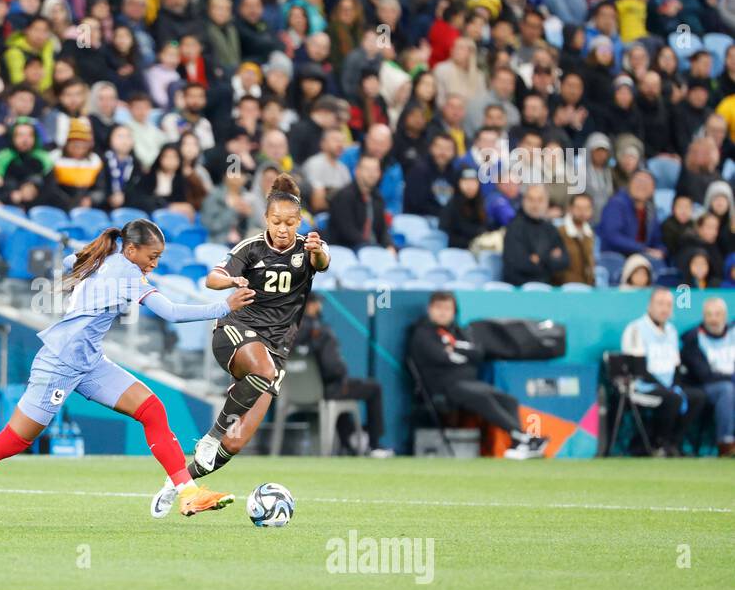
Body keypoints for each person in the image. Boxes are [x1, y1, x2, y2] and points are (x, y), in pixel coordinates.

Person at [0, 219, 255, 522]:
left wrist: (87, 258)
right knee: (15, 439)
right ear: (132, 249)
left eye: (159, 258)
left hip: (89, 361)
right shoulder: (125, 273)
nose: (154, 263)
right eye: (152, 256)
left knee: (152, 409)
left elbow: (68, 261)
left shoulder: (106, 259)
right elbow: (169, 312)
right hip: (60, 364)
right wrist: (222, 306)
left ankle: (188, 493)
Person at [149, 176, 332, 516]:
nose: (283, 228)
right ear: (266, 219)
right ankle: (210, 436)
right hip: (236, 332)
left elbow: (322, 264)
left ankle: (177, 487)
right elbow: (211, 278)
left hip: (276, 349)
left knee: (234, 442)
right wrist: (232, 281)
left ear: (300, 221)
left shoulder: (309, 248)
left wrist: (318, 251)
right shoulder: (250, 248)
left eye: (291, 223)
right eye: (276, 222)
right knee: (256, 376)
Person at [407, 291, 549, 459]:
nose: (443, 312)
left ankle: (518, 442)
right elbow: (441, 357)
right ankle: (524, 437)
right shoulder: (422, 333)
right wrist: (462, 354)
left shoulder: (458, 331)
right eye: (438, 308)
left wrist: (456, 350)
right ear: (430, 309)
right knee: (482, 397)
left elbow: (478, 353)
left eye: (447, 308)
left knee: (509, 400)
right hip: (443, 387)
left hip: (469, 382)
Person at [297, 295, 392, 457]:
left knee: (344, 395)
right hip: (328, 388)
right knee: (373, 387)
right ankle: (375, 445)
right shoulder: (320, 331)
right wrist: (342, 375)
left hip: (295, 390)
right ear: (312, 305)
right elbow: (333, 368)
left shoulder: (288, 328)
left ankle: (348, 442)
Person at [621, 287, 707, 457]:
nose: (664, 309)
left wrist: (675, 385)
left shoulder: (671, 331)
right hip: (642, 386)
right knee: (672, 398)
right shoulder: (636, 329)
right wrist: (668, 388)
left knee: (697, 396)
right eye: (660, 304)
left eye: (668, 304)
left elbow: (676, 366)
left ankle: (673, 442)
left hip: (668, 386)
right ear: (649, 306)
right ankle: (659, 442)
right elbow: (638, 369)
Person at [680, 297, 735, 457]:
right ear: (704, 316)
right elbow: (704, 375)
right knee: (727, 390)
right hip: (705, 388)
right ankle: (726, 444)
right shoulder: (693, 339)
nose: (713, 319)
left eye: (717, 314)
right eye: (709, 315)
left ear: (725, 315)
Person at [327, 154, 396, 252]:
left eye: (375, 170)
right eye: (367, 170)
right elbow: (347, 232)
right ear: (357, 171)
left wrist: (389, 245)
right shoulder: (344, 196)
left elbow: (383, 229)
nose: (372, 174)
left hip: (372, 248)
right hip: (347, 249)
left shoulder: (377, 198)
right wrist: (373, 247)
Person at [501, 183, 567, 285]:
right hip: (519, 289)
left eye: (540, 200)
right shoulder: (514, 228)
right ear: (524, 201)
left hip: (547, 288)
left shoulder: (550, 228)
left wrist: (538, 258)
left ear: (547, 202)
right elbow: (518, 264)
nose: (535, 205)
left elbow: (564, 261)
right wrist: (549, 258)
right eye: (531, 199)